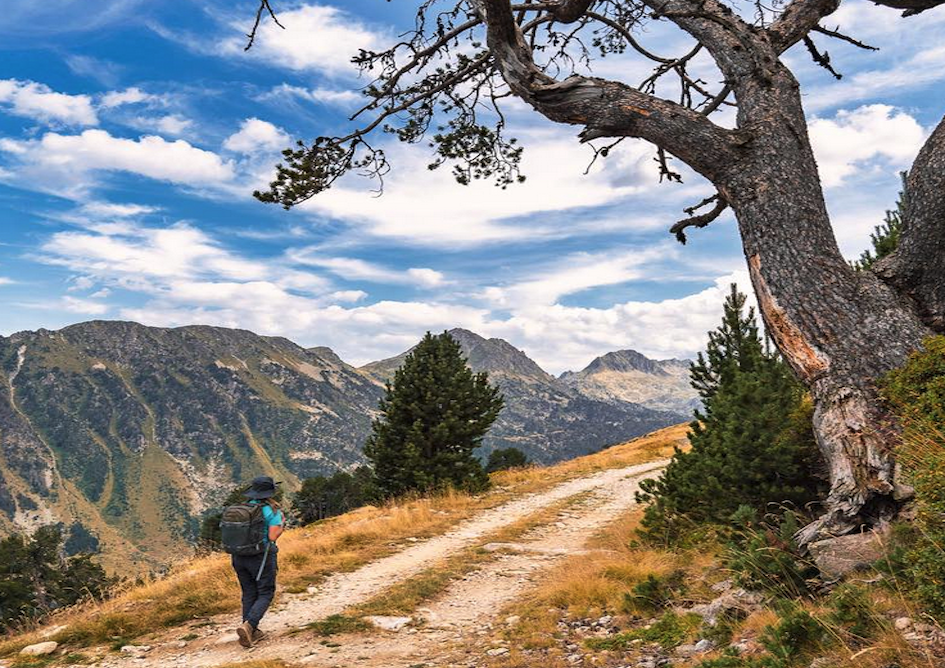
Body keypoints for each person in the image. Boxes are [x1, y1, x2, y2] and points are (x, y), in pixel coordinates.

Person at [232, 475, 284, 648]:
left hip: (238, 556)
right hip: (261, 556)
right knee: (266, 591)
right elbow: (272, 536)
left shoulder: (243, 508)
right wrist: (281, 525)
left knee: (248, 592)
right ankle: (250, 625)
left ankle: (250, 631)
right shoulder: (272, 510)